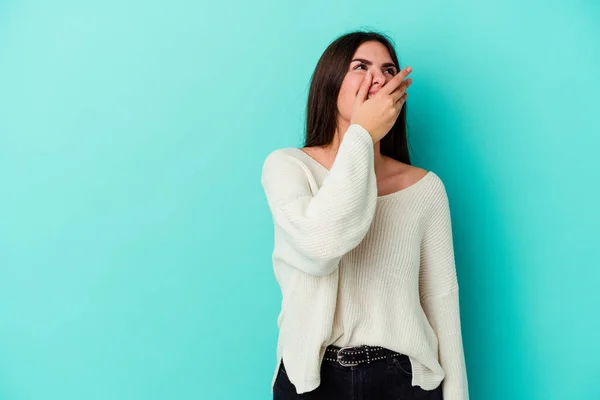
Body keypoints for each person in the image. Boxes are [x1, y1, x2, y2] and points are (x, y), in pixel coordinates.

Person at [260, 30, 469, 400]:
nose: (378, 78)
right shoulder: (288, 167)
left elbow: (441, 301)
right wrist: (361, 134)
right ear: (331, 81)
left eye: (389, 70)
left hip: (405, 379)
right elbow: (320, 247)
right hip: (312, 379)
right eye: (361, 66)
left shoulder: (425, 188)